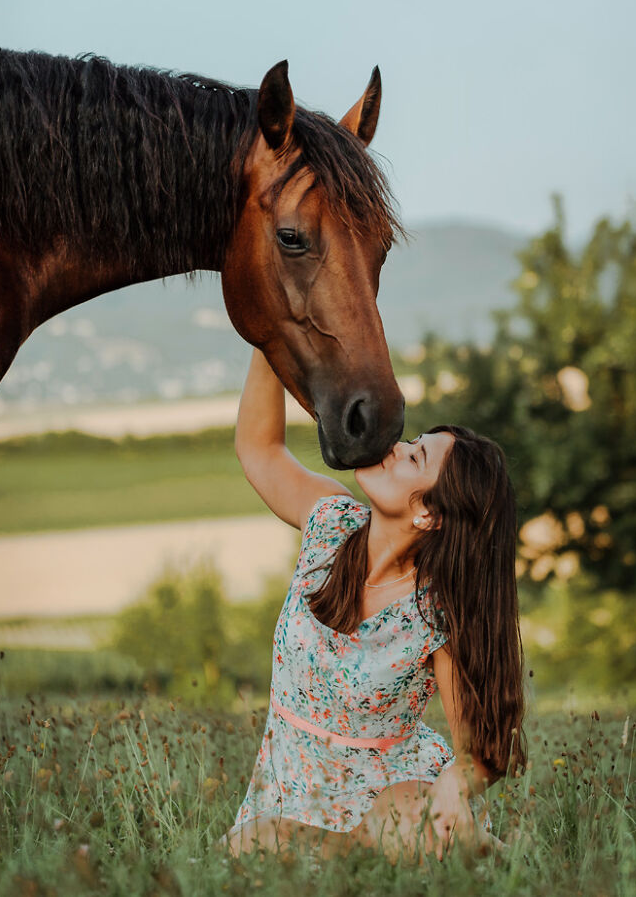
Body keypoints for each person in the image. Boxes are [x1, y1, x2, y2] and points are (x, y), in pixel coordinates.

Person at [218, 349, 526, 863]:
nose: (395, 447)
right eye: (411, 442)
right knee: (254, 850)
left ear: (429, 514)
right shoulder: (330, 523)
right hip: (289, 787)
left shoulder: (434, 614)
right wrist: (266, 330)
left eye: (415, 457)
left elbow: (482, 749)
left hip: (391, 799)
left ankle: (464, 853)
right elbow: (260, 449)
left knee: (399, 822)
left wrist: (456, 780)